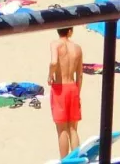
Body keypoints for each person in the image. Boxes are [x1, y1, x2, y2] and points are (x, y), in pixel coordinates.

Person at [49, 27, 84, 158]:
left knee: (62, 129)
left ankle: (65, 160)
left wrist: (50, 75)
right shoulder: (77, 48)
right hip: (73, 87)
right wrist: (77, 92)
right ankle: (77, 160)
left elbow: (53, 62)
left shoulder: (55, 44)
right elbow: (80, 75)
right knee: (73, 129)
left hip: (59, 87)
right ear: (70, 31)